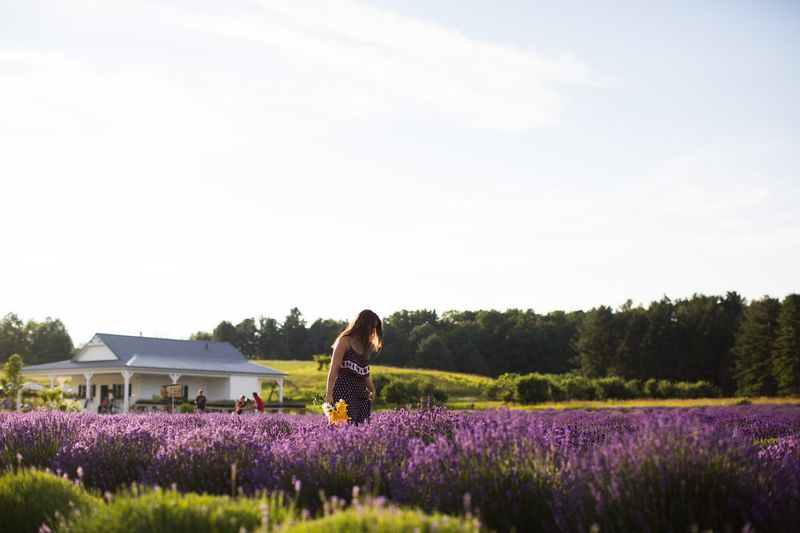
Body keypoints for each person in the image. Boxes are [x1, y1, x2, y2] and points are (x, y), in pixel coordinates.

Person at [325, 309, 382, 425]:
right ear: (363, 324)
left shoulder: (365, 346)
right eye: (372, 326)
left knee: (362, 428)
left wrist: (372, 389)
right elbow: (334, 369)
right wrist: (329, 394)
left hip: (360, 394)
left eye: (375, 328)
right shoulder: (345, 341)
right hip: (343, 391)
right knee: (343, 427)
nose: (373, 330)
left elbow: (365, 374)